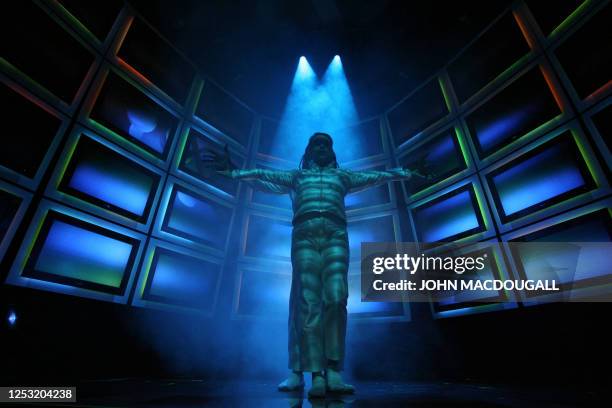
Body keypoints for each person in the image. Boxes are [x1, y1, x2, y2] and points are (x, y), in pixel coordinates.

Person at [204, 132, 430, 398]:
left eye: (326, 144)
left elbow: (377, 176)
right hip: (305, 234)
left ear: (332, 152)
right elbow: (263, 176)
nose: (322, 147)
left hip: (335, 233)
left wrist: (404, 172)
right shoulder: (297, 177)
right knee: (308, 301)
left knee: (336, 297)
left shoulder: (343, 176)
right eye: (316, 144)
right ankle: (315, 374)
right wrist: (234, 172)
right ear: (309, 151)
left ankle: (333, 369)